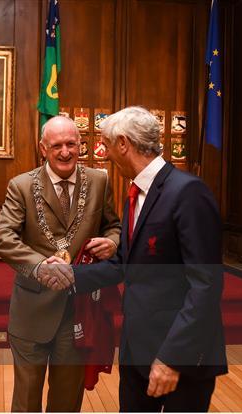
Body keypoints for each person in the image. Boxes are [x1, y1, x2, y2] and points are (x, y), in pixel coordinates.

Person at [56, 106, 227, 411]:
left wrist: (172, 358)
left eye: (107, 145)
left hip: (178, 358)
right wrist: (69, 275)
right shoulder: (134, 193)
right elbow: (124, 263)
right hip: (138, 350)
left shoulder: (189, 192)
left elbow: (205, 286)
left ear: (123, 143)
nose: (105, 154)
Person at [0, 116, 121, 412]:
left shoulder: (100, 181)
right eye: (57, 145)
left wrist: (112, 242)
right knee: (27, 400)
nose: (65, 152)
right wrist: (38, 266)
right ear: (43, 148)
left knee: (67, 401)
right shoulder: (21, 185)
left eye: (71, 144)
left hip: (79, 310)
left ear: (80, 145)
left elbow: (114, 226)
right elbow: (0, 235)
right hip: (31, 309)